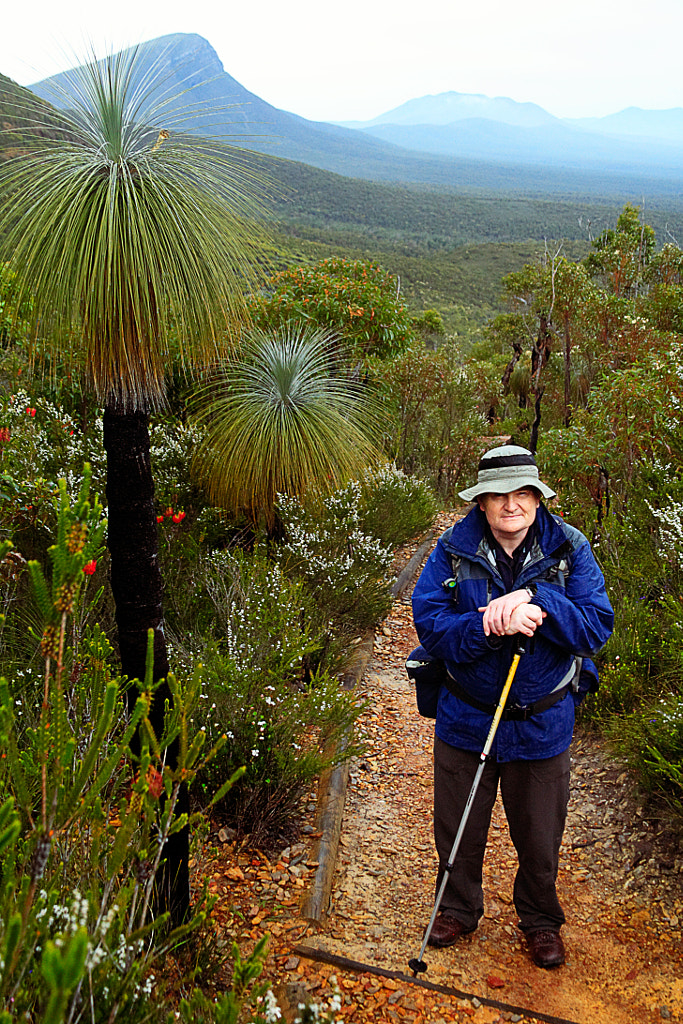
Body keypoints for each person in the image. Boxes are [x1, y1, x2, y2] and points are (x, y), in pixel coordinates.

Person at [411, 445, 614, 968]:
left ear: (537, 496)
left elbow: (595, 627)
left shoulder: (569, 548)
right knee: (457, 825)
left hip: (542, 721)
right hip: (467, 717)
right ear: (481, 502)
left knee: (540, 836)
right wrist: (485, 623)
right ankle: (456, 908)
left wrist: (537, 598)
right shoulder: (452, 551)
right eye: (498, 494)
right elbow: (431, 627)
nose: (511, 504)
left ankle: (541, 921)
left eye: (521, 492)